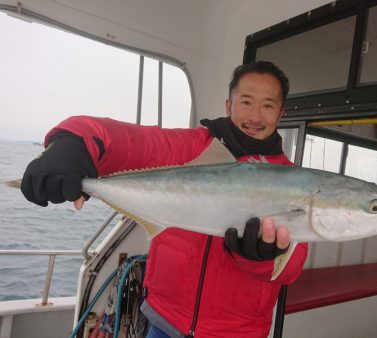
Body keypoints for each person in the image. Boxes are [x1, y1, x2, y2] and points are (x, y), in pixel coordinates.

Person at [21, 61, 308, 338]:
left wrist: (258, 258)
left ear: (280, 113)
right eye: (246, 102)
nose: (256, 116)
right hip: (163, 319)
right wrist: (75, 141)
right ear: (229, 105)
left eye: (267, 105)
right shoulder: (191, 149)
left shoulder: (294, 181)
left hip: (237, 332)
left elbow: (290, 268)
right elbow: (131, 142)